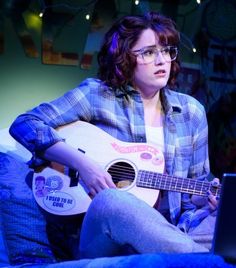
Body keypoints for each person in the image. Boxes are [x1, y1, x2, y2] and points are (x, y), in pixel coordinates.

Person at [10, 11, 219, 260]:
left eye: (167, 51)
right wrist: (83, 165)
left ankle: (190, 257)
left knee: (225, 217)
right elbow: (25, 124)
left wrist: (202, 204)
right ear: (123, 57)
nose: (162, 60)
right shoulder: (97, 95)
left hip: (172, 231)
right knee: (113, 200)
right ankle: (203, 262)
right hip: (101, 232)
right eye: (149, 52)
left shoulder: (192, 112)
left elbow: (192, 196)